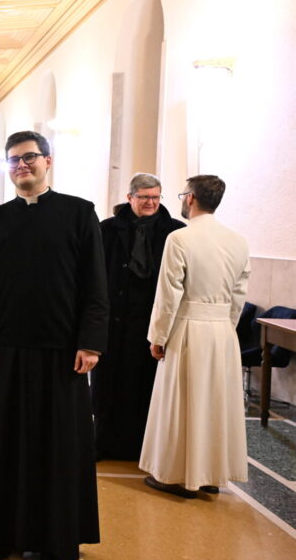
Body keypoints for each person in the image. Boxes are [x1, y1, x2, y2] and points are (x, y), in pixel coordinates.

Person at [0, 131, 108, 560]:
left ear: (48, 161)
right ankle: (3, 532)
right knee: (6, 442)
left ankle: (54, 539)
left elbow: (95, 283)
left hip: (62, 351)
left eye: (29, 157)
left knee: (57, 447)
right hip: (8, 349)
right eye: (13, 160)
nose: (21, 165)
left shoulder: (79, 213)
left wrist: (90, 341)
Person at [140, 175, 250, 498]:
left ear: (190, 198)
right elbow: (239, 295)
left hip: (188, 327)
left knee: (180, 403)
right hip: (222, 331)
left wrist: (158, 336)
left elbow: (169, 294)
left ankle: (175, 476)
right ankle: (209, 475)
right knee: (214, 403)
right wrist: (226, 328)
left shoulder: (180, 238)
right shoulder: (238, 241)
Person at [92, 173, 184, 460]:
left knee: (147, 385)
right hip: (114, 321)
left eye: (155, 197)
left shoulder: (175, 231)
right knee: (109, 386)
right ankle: (103, 443)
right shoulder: (107, 229)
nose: (151, 203)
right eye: (144, 197)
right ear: (130, 197)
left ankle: (144, 449)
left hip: (152, 322)